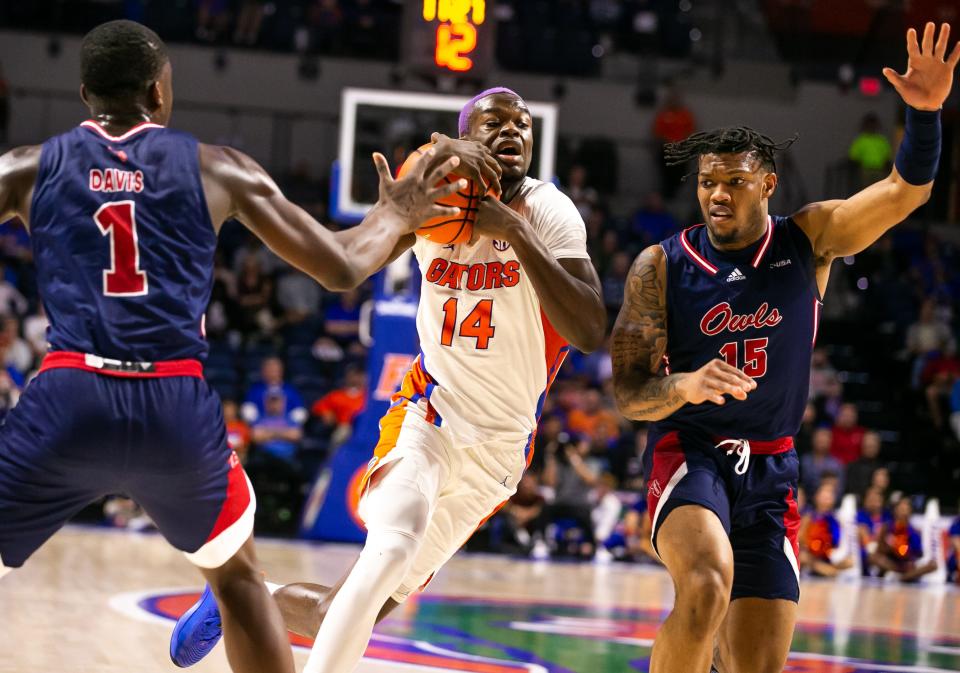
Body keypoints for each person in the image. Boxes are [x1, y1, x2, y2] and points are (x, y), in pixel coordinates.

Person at [0, 19, 471, 673]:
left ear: (85, 95)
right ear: (161, 94)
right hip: (173, 406)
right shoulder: (217, 168)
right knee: (240, 585)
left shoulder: (24, 166)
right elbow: (340, 265)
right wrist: (396, 212)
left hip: (67, 396)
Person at [171, 86, 606, 673]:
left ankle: (242, 600)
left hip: (500, 452)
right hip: (431, 413)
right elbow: (347, 262)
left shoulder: (549, 212)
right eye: (494, 124)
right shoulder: (436, 199)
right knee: (390, 546)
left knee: (343, 611)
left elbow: (588, 328)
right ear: (465, 138)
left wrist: (513, 229)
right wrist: (400, 206)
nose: (511, 133)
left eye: (522, 125)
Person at [610, 22, 957, 673]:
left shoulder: (810, 239)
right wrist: (684, 385)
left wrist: (925, 116)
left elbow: (903, 193)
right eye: (707, 181)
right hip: (691, 452)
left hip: (772, 469)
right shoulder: (661, 265)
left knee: (755, 664)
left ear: (767, 184)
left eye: (733, 182)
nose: (716, 193)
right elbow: (629, 393)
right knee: (707, 583)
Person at [869, 497, 937, 582]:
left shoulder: (914, 531)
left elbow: (919, 553)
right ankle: (902, 576)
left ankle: (900, 577)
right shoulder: (887, 527)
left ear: (910, 512)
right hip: (891, 563)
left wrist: (906, 553)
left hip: (907, 564)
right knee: (873, 557)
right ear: (895, 510)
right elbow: (879, 550)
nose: (903, 512)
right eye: (901, 509)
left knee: (933, 565)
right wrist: (892, 547)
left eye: (906, 509)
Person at [798, 482, 853, 577]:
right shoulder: (809, 517)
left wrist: (831, 552)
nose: (826, 498)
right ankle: (827, 570)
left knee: (849, 562)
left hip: (827, 555)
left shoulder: (836, 519)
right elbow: (800, 538)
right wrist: (811, 547)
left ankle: (827, 570)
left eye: (830, 495)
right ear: (816, 497)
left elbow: (839, 542)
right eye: (823, 495)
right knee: (803, 557)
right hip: (810, 555)